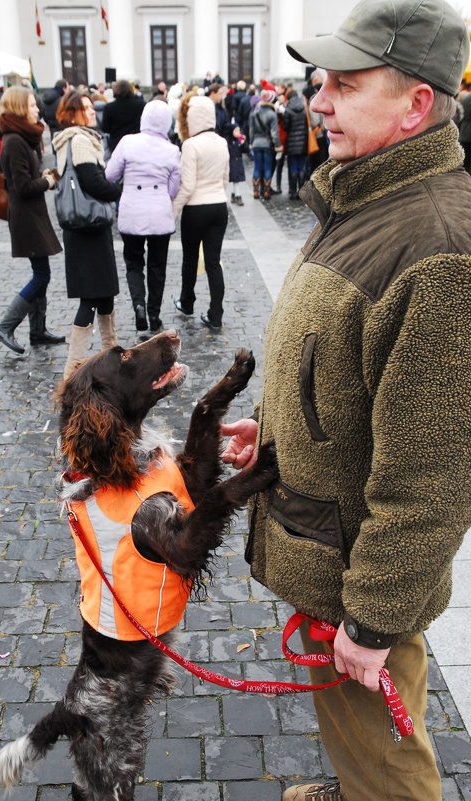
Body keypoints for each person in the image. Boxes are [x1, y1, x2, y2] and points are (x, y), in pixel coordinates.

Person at [221, 1, 471, 800]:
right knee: (357, 733)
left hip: (359, 573)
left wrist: (371, 620)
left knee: (388, 760)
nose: (316, 101)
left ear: (415, 104)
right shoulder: (366, 197)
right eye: (319, 82)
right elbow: (340, 373)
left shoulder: (436, 249)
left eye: (343, 84)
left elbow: (433, 475)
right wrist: (272, 429)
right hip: (327, 548)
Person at [52, 90, 122, 378]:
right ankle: (73, 368)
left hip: (87, 229)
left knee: (104, 294)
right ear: (72, 114)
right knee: (91, 298)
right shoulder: (80, 139)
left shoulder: (73, 138)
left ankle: (112, 353)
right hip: (89, 228)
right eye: (85, 108)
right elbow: (92, 182)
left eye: (92, 107)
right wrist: (121, 190)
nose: (92, 111)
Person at [0, 86, 64, 354]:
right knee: (42, 275)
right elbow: (21, 187)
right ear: (20, 108)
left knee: (41, 272)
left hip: (32, 216)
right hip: (26, 218)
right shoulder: (14, 141)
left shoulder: (20, 138)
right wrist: (46, 181)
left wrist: (41, 175)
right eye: (32, 105)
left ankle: (38, 331)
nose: (38, 109)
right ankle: (5, 326)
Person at [105, 100, 180, 334]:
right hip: (159, 214)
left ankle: (138, 306)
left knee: (134, 263)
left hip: (132, 212)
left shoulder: (128, 142)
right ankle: (154, 314)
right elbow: (174, 187)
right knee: (157, 267)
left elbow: (110, 174)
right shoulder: (172, 150)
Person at [172, 94, 229, 331]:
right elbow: (225, 179)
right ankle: (216, 314)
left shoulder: (190, 145)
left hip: (196, 209)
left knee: (190, 259)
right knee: (214, 263)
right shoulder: (222, 142)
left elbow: (187, 186)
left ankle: (187, 303)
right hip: (219, 206)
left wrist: (172, 213)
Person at [249, 88, 282, 200]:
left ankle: (255, 191)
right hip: (267, 144)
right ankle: (267, 192)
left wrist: (251, 142)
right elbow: (274, 133)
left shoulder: (255, 113)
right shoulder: (272, 114)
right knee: (267, 168)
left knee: (257, 167)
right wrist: (278, 146)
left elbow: (251, 130)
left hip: (256, 143)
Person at [101, 79, 145, 155]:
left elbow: (105, 128)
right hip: (136, 143)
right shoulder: (140, 104)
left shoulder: (109, 107)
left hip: (117, 145)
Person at [282, 88, 308, 199]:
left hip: (292, 144)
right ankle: (301, 192)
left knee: (293, 167)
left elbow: (285, 127)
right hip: (302, 143)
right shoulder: (303, 109)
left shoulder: (288, 111)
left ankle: (293, 192)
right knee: (301, 167)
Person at [227, 124, 246, 205]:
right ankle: (238, 196)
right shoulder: (229, 141)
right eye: (236, 131)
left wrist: (243, 143)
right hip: (232, 162)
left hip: (238, 162)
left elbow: (245, 149)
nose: (238, 133)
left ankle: (234, 194)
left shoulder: (239, 140)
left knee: (236, 179)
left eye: (239, 130)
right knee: (236, 180)